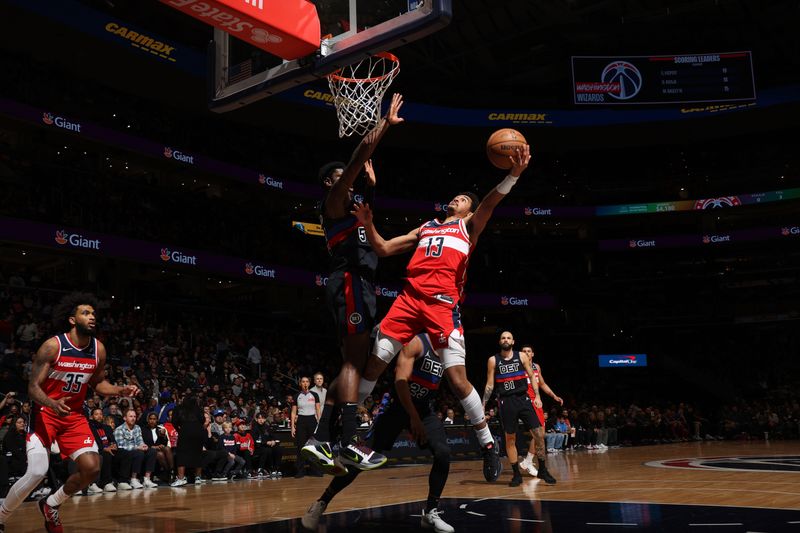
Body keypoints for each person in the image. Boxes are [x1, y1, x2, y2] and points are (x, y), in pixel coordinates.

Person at [352, 146, 532, 483]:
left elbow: (491, 201)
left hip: (442, 304)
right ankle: (348, 432)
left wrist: (514, 174)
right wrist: (369, 222)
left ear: (469, 210)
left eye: (464, 199)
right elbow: (384, 248)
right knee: (376, 361)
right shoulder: (426, 227)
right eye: (457, 197)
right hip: (409, 298)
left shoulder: (469, 228)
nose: (457, 199)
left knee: (457, 378)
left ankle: (487, 444)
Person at [302, 94, 404, 474]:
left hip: (360, 284)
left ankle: (321, 440)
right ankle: (346, 444)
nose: (350, 176)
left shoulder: (354, 210)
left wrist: (373, 190)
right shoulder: (333, 200)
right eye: (341, 174)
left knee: (353, 362)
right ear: (333, 182)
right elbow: (360, 152)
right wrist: (383, 125)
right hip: (349, 281)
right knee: (352, 361)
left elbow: (365, 226)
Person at [0, 293, 139, 533]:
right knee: (36, 472)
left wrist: (120, 389)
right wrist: (52, 403)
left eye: (93, 313)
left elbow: (99, 384)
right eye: (86, 313)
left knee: (93, 468)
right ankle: (1, 516)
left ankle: (51, 505)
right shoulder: (53, 345)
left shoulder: (98, 349)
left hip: (73, 416)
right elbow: (32, 387)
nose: (92, 317)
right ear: (72, 319)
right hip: (44, 412)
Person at [302, 334, 455, 533]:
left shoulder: (449, 352)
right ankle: (321, 503)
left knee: (443, 453)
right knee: (358, 460)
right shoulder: (419, 342)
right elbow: (400, 382)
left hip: (424, 409)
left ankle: (430, 512)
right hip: (396, 407)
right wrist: (413, 418)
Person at [482, 331, 543, 487]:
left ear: (513, 341)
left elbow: (532, 377)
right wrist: (483, 404)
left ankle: (534, 463)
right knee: (510, 439)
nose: (506, 339)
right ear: (499, 341)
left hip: (524, 399)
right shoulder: (493, 360)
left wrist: (537, 396)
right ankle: (517, 474)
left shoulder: (522, 357)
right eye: (503, 337)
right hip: (506, 401)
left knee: (539, 433)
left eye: (508, 337)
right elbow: (489, 385)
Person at [518, 344, 562, 484]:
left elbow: (542, 384)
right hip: (525, 402)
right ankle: (528, 462)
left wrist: (554, 396)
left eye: (528, 351)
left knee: (540, 434)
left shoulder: (536, 367)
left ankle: (528, 461)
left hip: (537, 402)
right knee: (538, 433)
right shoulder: (518, 367)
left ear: (533, 354)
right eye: (523, 351)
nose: (526, 353)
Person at [114, 409, 158, 489]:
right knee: (139, 453)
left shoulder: (137, 427)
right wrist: (137, 447)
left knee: (152, 451)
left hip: (137, 449)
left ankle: (147, 479)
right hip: (125, 452)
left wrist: (143, 445)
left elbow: (139, 440)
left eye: (134, 416)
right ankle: (133, 479)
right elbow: (121, 446)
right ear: (125, 418)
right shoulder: (119, 429)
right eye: (130, 416)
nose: (133, 418)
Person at [292, 377, 322, 478]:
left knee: (313, 446)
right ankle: (301, 471)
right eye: (303, 381)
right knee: (301, 447)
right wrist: (292, 426)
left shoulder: (314, 395)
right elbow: (293, 412)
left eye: (307, 381)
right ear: (300, 383)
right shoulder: (296, 396)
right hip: (301, 421)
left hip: (312, 421)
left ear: (309, 383)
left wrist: (319, 422)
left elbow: (318, 410)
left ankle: (316, 470)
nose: (305, 383)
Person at [87, 407, 118, 492]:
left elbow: (112, 440)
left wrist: (114, 445)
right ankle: (106, 483)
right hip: (97, 450)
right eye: (96, 414)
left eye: (100, 414)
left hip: (109, 449)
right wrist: (105, 448)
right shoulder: (89, 427)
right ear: (92, 417)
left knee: (125, 453)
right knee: (106, 454)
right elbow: (93, 442)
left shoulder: (107, 427)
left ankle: (123, 481)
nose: (99, 416)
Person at [142, 412, 174, 482]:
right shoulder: (143, 430)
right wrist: (153, 447)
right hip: (149, 450)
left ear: (157, 420)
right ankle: (169, 473)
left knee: (167, 448)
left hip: (160, 449)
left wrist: (163, 436)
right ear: (148, 420)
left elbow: (165, 442)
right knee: (160, 454)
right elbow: (142, 442)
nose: (152, 421)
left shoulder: (160, 429)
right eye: (150, 419)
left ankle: (172, 471)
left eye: (154, 419)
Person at [251, 411, 283, 478]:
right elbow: (256, 440)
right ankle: (260, 469)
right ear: (256, 419)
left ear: (265, 419)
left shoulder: (267, 427)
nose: (261, 420)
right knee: (266, 450)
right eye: (259, 418)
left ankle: (276, 469)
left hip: (267, 446)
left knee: (279, 449)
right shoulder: (254, 428)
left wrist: (273, 441)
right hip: (258, 447)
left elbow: (273, 436)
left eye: (262, 418)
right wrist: (266, 442)